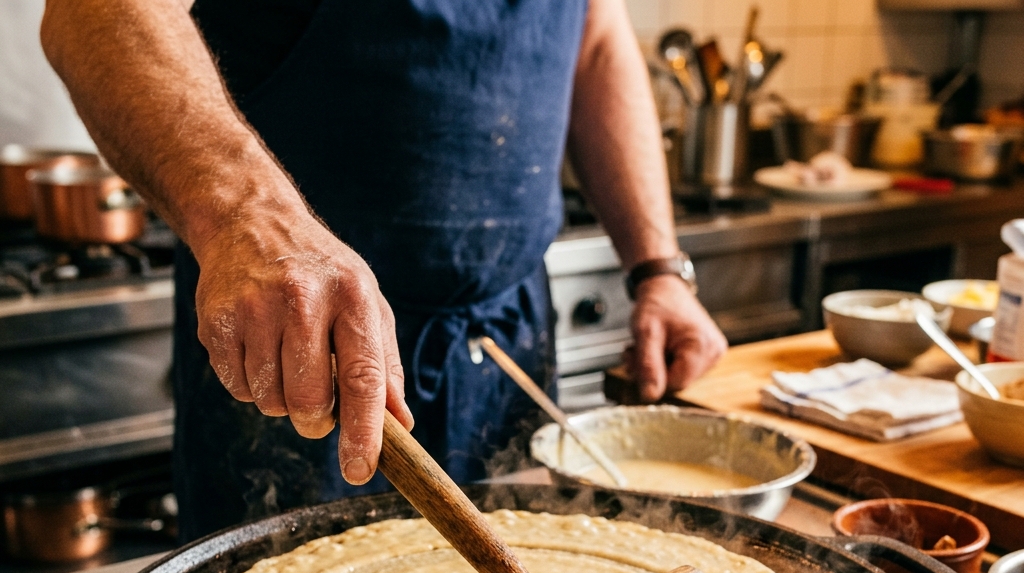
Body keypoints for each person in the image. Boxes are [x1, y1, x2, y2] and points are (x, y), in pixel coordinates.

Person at [41, 0, 727, 541]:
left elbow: (596, 36)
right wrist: (245, 214)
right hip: (297, 331)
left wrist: (658, 267)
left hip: (507, 330)